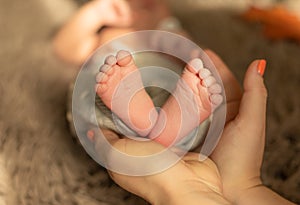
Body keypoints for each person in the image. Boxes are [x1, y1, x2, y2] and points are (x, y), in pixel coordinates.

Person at [94, 51, 296, 205]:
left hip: (128, 91)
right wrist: (243, 185)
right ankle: (160, 129)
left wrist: (96, 16)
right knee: (186, 127)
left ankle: (150, 124)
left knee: (95, 109)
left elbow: (65, 52)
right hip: (190, 135)